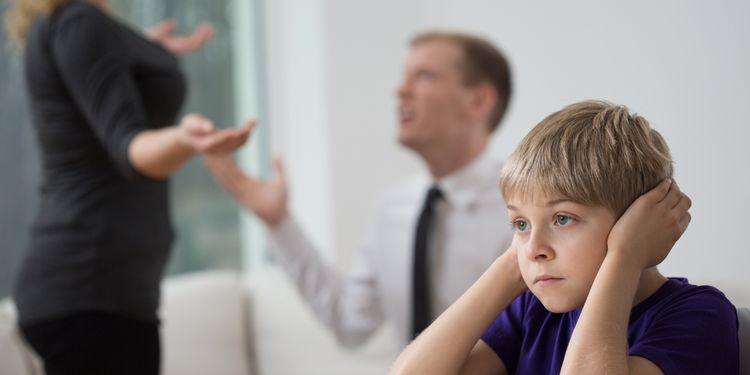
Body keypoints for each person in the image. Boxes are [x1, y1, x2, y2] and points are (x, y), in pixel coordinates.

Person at [205, 31, 514, 347]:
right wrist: (279, 222)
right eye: (403, 76)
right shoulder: (393, 207)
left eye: (424, 76)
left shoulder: (523, 208)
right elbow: (349, 322)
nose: (400, 90)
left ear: (478, 102)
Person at [389, 100, 739, 374]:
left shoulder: (700, 316)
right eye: (520, 224)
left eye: (562, 218)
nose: (535, 248)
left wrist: (625, 257)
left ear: (636, 222)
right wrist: (512, 265)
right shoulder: (533, 311)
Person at [5, 0, 252, 373]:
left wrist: (148, 53)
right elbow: (133, 151)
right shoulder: (79, 23)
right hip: (90, 292)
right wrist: (188, 139)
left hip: (96, 293)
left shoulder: (74, 24)